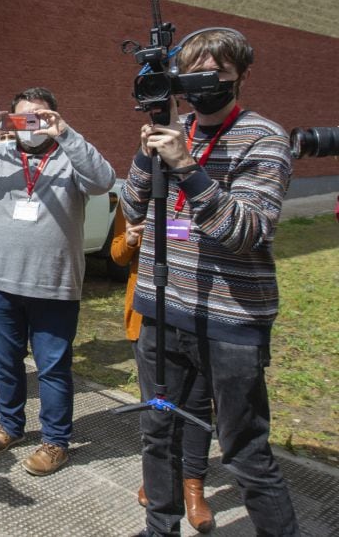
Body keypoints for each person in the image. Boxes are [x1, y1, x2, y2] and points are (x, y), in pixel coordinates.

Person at [121, 28, 298, 536]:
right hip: (162, 308)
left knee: (243, 450)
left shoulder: (264, 137)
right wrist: (145, 154)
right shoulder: (173, 130)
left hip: (231, 319)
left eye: (214, 73)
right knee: (158, 432)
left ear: (239, 76)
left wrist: (185, 165)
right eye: (191, 73)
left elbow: (243, 231)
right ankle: (161, 528)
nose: (201, 84)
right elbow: (131, 208)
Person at [0, 87, 116, 476]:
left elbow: (104, 181)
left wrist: (66, 134)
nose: (31, 125)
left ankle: (55, 441)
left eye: (40, 117)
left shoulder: (71, 157)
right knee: (5, 363)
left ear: (54, 118)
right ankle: (10, 425)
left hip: (54, 285)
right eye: (23, 118)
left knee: (53, 368)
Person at [111, 204, 215, 533]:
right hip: (149, 320)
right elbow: (117, 255)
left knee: (197, 408)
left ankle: (193, 490)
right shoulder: (137, 196)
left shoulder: (204, 189)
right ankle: (159, 485)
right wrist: (129, 239)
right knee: (158, 415)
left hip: (201, 317)